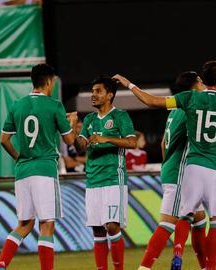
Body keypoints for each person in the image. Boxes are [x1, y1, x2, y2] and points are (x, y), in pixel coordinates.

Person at [113, 59, 216, 270]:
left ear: (204, 79)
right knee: (214, 222)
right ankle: (196, 264)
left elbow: (151, 103)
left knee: (194, 217)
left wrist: (129, 84)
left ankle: (180, 254)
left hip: (190, 168)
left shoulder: (185, 101)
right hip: (214, 168)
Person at [0, 63, 77, 270]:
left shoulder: (17, 105)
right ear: (49, 81)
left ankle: (0, 266)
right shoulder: (54, 105)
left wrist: (18, 157)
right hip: (44, 170)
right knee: (47, 224)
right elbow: (69, 140)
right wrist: (73, 123)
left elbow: (4, 140)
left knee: (24, 225)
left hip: (23, 171)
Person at [137, 71, 207, 270]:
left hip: (172, 168)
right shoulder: (190, 109)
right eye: (200, 82)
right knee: (167, 223)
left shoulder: (175, 110)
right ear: (195, 86)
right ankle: (144, 268)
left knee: (199, 219)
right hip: (179, 173)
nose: (203, 85)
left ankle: (204, 267)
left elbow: (162, 144)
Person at [74, 76, 137, 270]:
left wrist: (106, 139)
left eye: (98, 91)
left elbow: (132, 142)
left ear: (109, 95)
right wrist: (73, 129)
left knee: (112, 225)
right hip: (93, 180)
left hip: (113, 179)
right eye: (92, 91)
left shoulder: (120, 116)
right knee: (98, 230)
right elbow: (80, 148)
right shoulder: (90, 119)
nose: (93, 95)